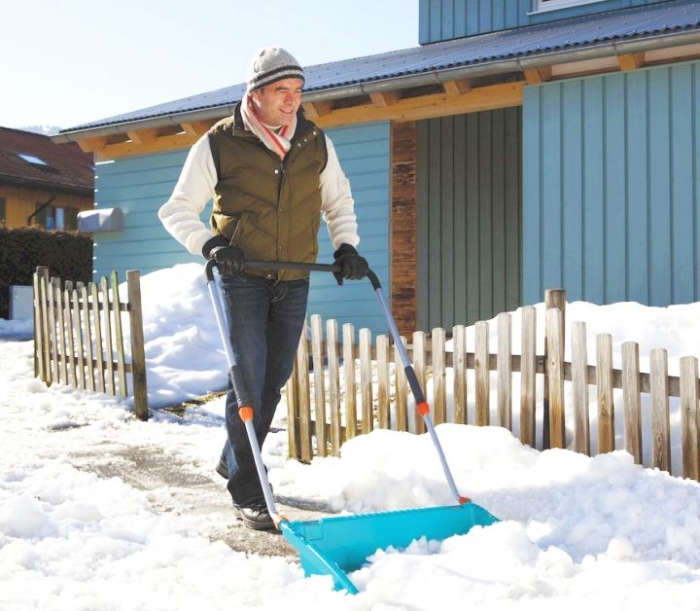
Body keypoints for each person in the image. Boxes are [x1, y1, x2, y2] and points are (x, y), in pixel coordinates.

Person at [158, 47, 368, 531]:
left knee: (273, 379)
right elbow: (176, 209)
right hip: (242, 275)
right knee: (248, 380)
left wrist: (347, 247)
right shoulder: (219, 142)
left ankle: (234, 456)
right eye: (282, 91)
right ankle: (249, 487)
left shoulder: (315, 141)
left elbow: (339, 202)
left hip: (292, 278)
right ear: (257, 93)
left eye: (298, 92)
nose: (292, 101)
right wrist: (211, 243)